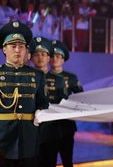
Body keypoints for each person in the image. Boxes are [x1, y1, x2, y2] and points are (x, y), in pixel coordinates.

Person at [0, 21, 49, 167]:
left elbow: (43, 101)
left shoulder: (38, 75)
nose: (17, 50)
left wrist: (41, 112)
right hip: (2, 136)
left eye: (21, 47)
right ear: (4, 49)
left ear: (26, 51)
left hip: (28, 135)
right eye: (13, 46)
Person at [29, 36, 68, 167]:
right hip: (30, 130)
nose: (40, 58)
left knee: (49, 162)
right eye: (36, 54)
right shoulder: (26, 77)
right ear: (31, 57)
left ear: (48, 58)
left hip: (51, 130)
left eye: (43, 54)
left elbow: (64, 103)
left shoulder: (58, 80)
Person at [50, 40, 83, 166]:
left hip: (66, 125)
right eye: (52, 56)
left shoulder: (71, 78)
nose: (55, 59)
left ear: (63, 60)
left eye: (58, 57)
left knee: (67, 159)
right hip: (49, 126)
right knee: (49, 159)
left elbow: (81, 96)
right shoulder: (42, 76)